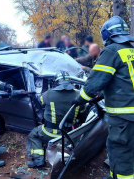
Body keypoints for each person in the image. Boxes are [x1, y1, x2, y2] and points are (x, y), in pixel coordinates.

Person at [72, 16, 134, 179]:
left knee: (121, 153)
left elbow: (94, 83)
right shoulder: (131, 50)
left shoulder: (112, 51)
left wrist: (80, 99)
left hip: (124, 118)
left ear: (107, 34)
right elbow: (122, 80)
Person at [27, 71, 84, 168]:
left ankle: (38, 160)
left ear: (56, 82)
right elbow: (82, 112)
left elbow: (40, 102)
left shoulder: (49, 93)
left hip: (49, 133)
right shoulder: (79, 95)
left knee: (33, 134)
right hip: (69, 135)